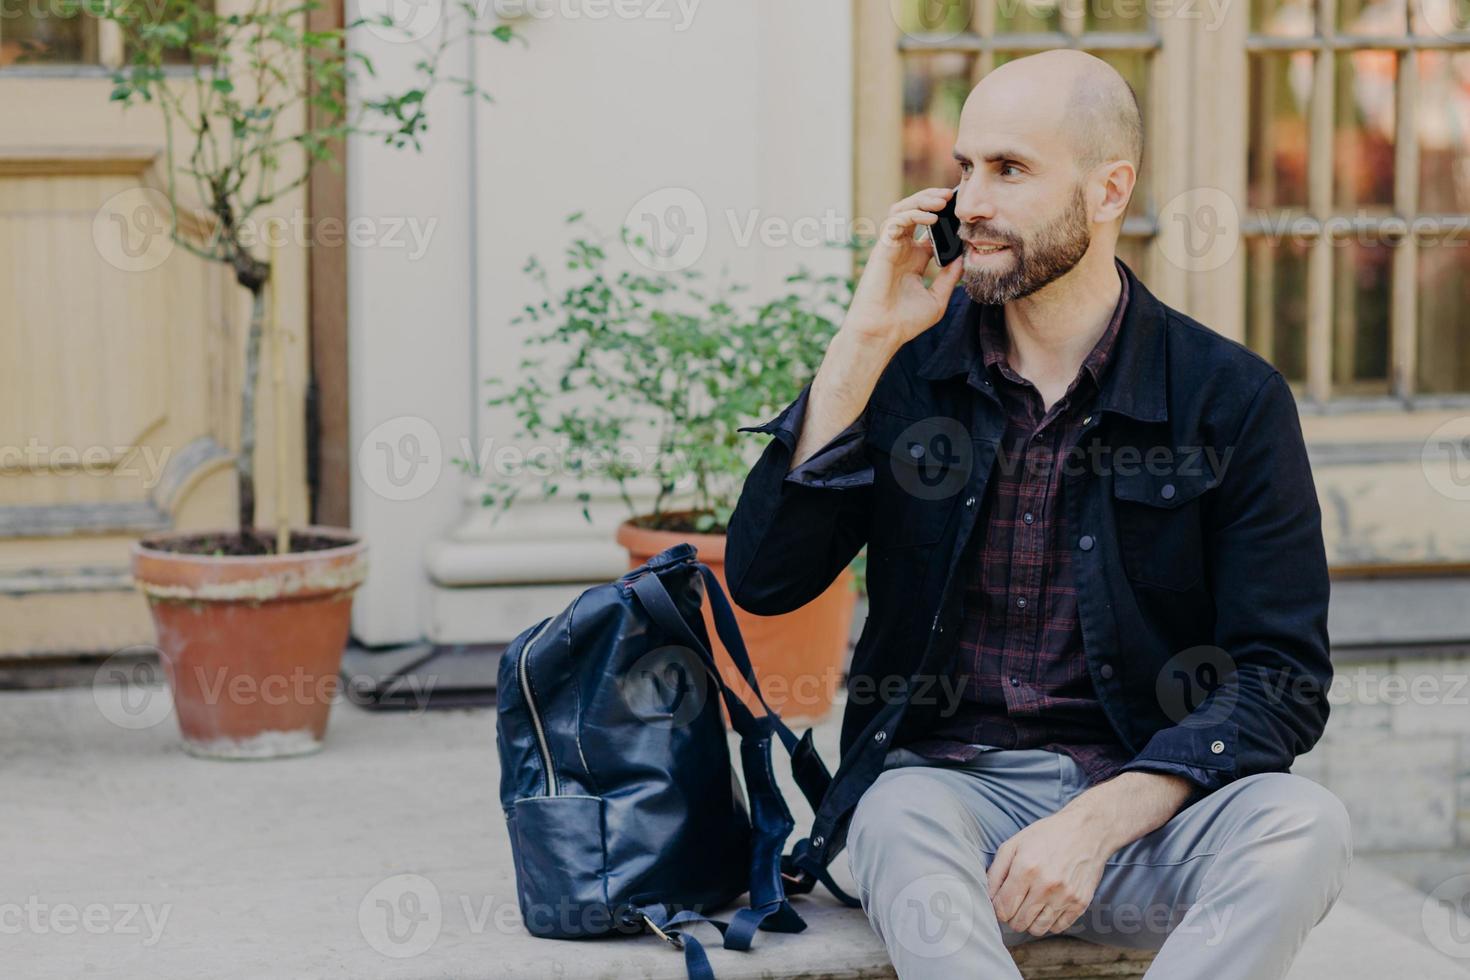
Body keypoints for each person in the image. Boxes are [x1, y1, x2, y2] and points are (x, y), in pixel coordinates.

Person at [724, 49, 1351, 979]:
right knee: (892, 812)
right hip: (946, 811)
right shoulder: (909, 372)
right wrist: (861, 341)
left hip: (1144, 815)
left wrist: (1102, 820)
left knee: (1306, 825)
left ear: (1108, 191)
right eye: (963, 167)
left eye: (1009, 169)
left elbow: (1282, 674)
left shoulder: (1230, 398)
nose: (968, 201)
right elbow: (765, 579)